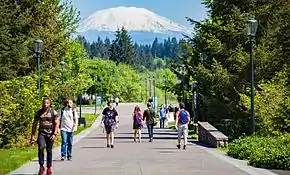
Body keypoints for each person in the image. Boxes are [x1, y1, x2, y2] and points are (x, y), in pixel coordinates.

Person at [30, 97, 59, 175]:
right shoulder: (38, 112)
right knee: (41, 147)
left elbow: (56, 124)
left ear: (49, 104)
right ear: (42, 103)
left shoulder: (54, 112)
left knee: (49, 150)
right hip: (41, 133)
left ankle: (49, 167)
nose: (45, 104)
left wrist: (54, 134)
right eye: (44, 103)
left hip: (50, 134)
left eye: (47, 103)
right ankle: (41, 166)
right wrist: (32, 136)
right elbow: (34, 125)